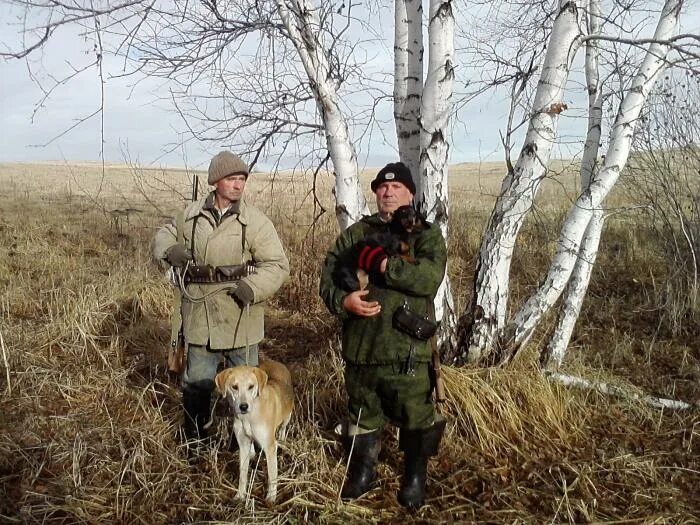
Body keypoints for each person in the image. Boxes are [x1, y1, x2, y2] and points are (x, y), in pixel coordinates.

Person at [319, 162, 447, 509]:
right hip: (363, 348)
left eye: (396, 188)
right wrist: (344, 300)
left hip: (409, 349)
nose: (387, 192)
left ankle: (414, 477)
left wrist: (385, 266)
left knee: (416, 415)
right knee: (362, 414)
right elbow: (328, 277)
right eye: (381, 188)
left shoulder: (426, 234)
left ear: (411, 194)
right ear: (375, 193)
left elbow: (428, 278)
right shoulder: (356, 233)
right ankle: (362, 472)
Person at [153, 151, 289, 448]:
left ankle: (245, 448)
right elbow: (163, 234)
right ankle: (197, 444)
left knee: (248, 391)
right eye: (231, 179)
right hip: (200, 313)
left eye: (241, 179)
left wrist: (252, 288)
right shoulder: (190, 216)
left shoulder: (254, 221)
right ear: (216, 181)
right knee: (198, 385)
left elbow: (277, 265)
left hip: (242, 316)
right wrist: (170, 251)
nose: (238, 185)